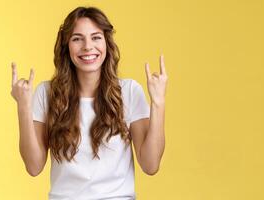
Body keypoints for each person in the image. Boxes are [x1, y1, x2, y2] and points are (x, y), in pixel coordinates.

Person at [10, 6, 167, 200]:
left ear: (107, 43)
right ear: (66, 46)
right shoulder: (47, 93)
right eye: (77, 38)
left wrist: (158, 102)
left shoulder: (129, 92)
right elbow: (33, 167)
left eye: (96, 37)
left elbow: (151, 165)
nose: (87, 46)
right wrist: (23, 107)